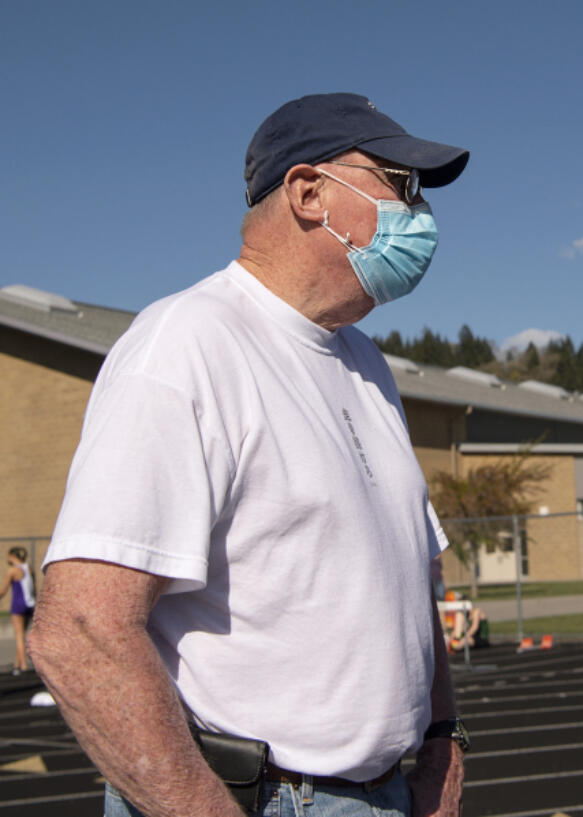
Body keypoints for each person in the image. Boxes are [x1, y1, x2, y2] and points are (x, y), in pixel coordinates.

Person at [28, 93, 471, 817]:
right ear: (307, 192)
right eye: (398, 181)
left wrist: (443, 744)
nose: (418, 213)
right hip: (264, 799)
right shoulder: (188, 343)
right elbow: (79, 631)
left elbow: (412, 587)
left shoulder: (365, 363)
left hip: (388, 792)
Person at [0, 547, 36, 674]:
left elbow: (3, 590)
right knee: (22, 635)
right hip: (30, 604)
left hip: (18, 605)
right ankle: (17, 665)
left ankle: (24, 666)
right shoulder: (29, 568)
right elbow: (34, 589)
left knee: (19, 636)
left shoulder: (12, 570)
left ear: (12, 556)